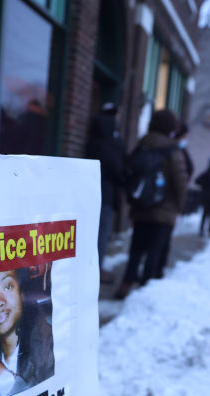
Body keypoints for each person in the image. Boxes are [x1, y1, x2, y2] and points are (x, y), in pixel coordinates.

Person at [115, 109, 188, 299]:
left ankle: (125, 285)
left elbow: (130, 172)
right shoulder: (173, 150)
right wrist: (179, 207)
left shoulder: (142, 145)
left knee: (136, 250)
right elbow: (180, 182)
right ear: (171, 128)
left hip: (141, 208)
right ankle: (145, 292)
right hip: (164, 211)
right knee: (154, 253)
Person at [84, 103, 126, 275]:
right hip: (106, 195)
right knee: (101, 235)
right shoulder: (112, 142)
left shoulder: (92, 138)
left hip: (89, 192)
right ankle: (96, 272)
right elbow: (117, 170)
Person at [153, 122, 194, 278]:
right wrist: (180, 204)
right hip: (166, 203)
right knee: (159, 244)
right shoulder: (174, 151)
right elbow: (180, 179)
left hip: (157, 201)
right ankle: (153, 275)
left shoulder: (171, 150)